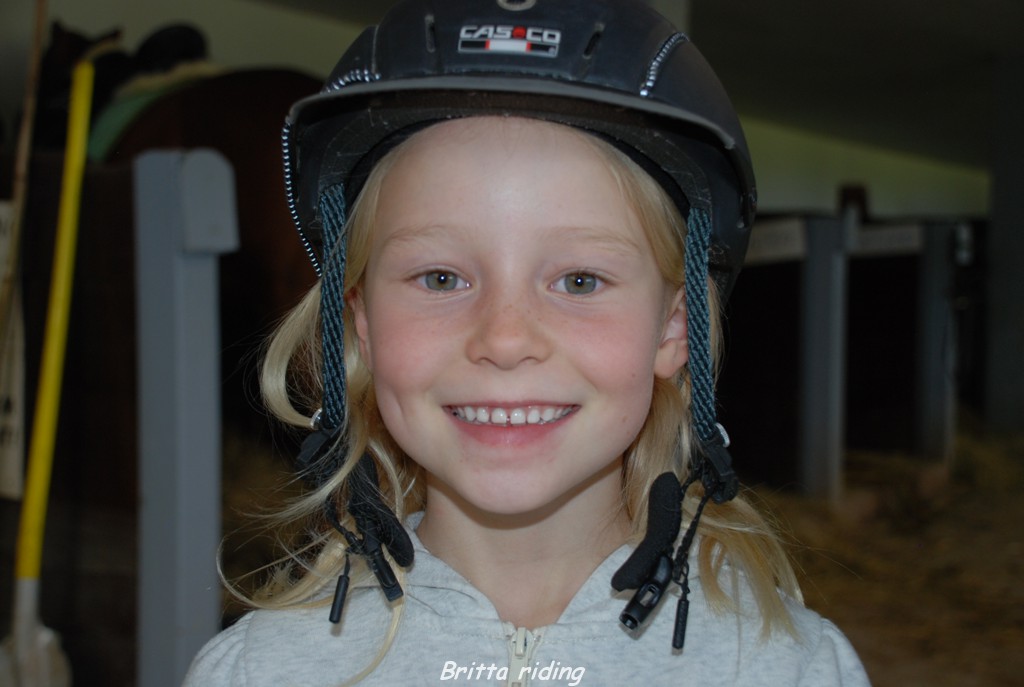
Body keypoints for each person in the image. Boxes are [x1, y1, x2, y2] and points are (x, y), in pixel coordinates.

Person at [185, 0, 871, 685]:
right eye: (441, 277)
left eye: (579, 280)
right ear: (361, 320)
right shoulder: (255, 670)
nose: (506, 339)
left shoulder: (792, 668)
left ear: (674, 326)